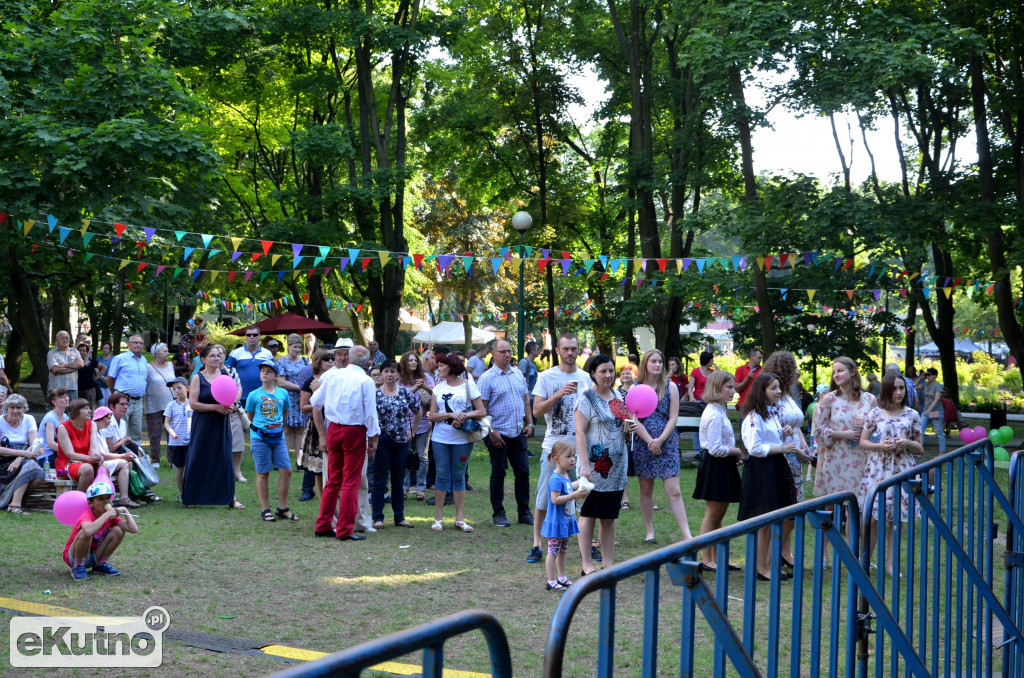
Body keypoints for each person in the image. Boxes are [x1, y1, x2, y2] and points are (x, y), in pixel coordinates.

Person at [527, 333, 593, 565]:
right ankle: (537, 545)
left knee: (584, 495)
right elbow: (536, 411)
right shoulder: (546, 377)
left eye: (574, 348)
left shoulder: (586, 378)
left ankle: (588, 545)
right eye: (566, 349)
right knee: (545, 498)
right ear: (557, 350)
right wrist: (558, 394)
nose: (570, 352)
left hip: (580, 449)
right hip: (553, 448)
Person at [738, 373, 808, 582]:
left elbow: (769, 439)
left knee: (773, 519)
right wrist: (782, 447)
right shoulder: (754, 417)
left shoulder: (771, 412)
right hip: (762, 469)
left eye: (778, 387)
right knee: (765, 521)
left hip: (775, 466)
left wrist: (783, 434)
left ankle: (768, 564)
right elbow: (754, 448)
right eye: (773, 388)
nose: (778, 391)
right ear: (762, 391)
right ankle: (762, 568)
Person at [311, 343, 379, 540]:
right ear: (367, 363)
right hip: (354, 431)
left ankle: (323, 524)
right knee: (350, 482)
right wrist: (374, 436)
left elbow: (315, 402)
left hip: (334, 429)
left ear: (348, 358)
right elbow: (371, 412)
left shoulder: (332, 375)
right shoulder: (365, 381)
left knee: (333, 480)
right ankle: (345, 529)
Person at [858, 372, 923, 575]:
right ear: (886, 389)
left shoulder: (912, 414)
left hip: (902, 469)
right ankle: (865, 561)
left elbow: (920, 448)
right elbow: (863, 441)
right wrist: (879, 446)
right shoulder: (876, 413)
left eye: (901, 388)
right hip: (878, 469)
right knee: (874, 518)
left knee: (897, 520)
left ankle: (891, 564)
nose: (899, 392)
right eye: (894, 388)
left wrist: (907, 443)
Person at [629, 349, 691, 545]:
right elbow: (633, 419)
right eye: (653, 361)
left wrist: (660, 440)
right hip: (644, 442)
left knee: (674, 490)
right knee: (646, 488)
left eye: (660, 361)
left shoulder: (670, 387)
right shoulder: (636, 388)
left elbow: (673, 417)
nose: (657, 365)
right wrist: (650, 441)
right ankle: (650, 532)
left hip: (667, 441)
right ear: (645, 364)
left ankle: (687, 535)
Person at [575, 354, 627, 576]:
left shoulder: (618, 396)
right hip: (594, 468)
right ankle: (587, 564)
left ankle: (607, 564)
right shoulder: (586, 398)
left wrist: (630, 429)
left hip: (616, 468)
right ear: (593, 374)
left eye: (611, 371)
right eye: (603, 371)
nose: (608, 375)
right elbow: (579, 433)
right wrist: (584, 465)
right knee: (588, 514)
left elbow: (621, 426)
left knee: (609, 516)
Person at [761, 351, 811, 568]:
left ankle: (784, 551)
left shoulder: (788, 395)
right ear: (785, 370)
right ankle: (774, 553)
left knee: (793, 505)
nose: (797, 372)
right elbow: (774, 429)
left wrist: (804, 443)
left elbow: (795, 424)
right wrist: (796, 450)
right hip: (783, 456)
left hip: (795, 455)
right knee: (787, 507)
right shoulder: (771, 397)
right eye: (794, 367)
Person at [425, 353, 485, 532]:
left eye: (441, 365)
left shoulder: (468, 385)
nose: (438, 369)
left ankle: (460, 518)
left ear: (451, 366)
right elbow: (432, 416)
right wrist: (451, 415)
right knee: (441, 476)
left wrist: (464, 415)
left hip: (462, 440)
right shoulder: (438, 388)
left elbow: (481, 411)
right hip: (440, 439)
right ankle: (438, 518)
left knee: (459, 476)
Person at [479, 339, 534, 528]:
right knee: (498, 472)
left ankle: (524, 513)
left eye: (509, 351)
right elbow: (481, 410)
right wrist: (492, 432)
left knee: (523, 472)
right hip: (497, 433)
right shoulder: (487, 378)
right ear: (493, 354)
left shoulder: (517, 373)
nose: (507, 354)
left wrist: (530, 423)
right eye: (503, 351)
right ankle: (498, 513)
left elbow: (526, 401)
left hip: (517, 431)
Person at [183, 344, 244, 509]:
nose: (216, 358)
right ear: (203, 359)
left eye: (218, 355)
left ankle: (230, 498)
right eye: (212, 356)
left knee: (224, 458)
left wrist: (231, 405)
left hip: (221, 423)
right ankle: (192, 496)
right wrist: (215, 408)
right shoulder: (198, 377)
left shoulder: (225, 374)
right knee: (199, 457)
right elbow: (193, 404)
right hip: (203, 423)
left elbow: (232, 393)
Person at [694, 371, 743, 571]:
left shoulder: (720, 409)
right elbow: (715, 448)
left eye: (733, 387)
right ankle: (707, 559)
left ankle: (716, 558)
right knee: (712, 514)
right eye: (729, 387)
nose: (733, 391)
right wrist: (736, 451)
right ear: (717, 388)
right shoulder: (714, 413)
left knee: (719, 515)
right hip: (716, 465)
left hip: (723, 465)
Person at [813, 357, 877, 501]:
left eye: (840, 371)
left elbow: (880, 430)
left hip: (862, 458)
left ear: (853, 372)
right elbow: (818, 431)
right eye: (834, 372)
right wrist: (842, 434)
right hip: (836, 458)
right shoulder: (829, 399)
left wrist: (867, 424)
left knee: (860, 502)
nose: (836, 375)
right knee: (835, 502)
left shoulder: (869, 399)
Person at [371, 359, 421, 529]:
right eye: (386, 371)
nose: (389, 375)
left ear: (398, 374)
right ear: (381, 374)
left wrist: (412, 431)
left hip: (401, 442)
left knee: (398, 481)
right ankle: (378, 518)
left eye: (393, 371)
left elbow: (418, 412)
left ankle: (399, 517)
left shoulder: (405, 393)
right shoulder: (375, 394)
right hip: (381, 442)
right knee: (379, 481)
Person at [245, 360, 296, 522]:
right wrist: (263, 428)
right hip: (260, 438)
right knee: (263, 473)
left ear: (275, 376)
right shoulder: (254, 395)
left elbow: (285, 412)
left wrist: (277, 427)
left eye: (269, 371)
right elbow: (250, 416)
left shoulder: (282, 393)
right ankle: (265, 509)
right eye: (263, 371)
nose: (265, 373)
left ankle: (283, 508)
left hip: (278, 438)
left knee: (286, 471)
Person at [63, 480, 138, 580]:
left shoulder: (111, 517)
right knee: (86, 532)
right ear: (91, 504)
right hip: (74, 557)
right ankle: (78, 567)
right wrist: (106, 515)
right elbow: (88, 531)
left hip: (93, 555)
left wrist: (125, 509)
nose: (106, 501)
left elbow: (133, 529)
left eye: (108, 498)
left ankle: (100, 564)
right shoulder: (87, 515)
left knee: (118, 530)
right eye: (101, 499)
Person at [542, 440, 587, 591]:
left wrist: (581, 482)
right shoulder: (555, 479)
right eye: (568, 456)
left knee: (562, 551)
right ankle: (551, 580)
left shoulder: (565, 476)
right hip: (557, 522)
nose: (572, 459)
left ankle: (562, 577)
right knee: (553, 552)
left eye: (573, 456)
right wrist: (574, 495)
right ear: (556, 459)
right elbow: (555, 500)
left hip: (565, 521)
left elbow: (568, 487)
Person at [298, 350, 334, 504]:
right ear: (318, 361)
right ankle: (322, 501)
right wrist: (320, 401)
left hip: (334, 424)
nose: (331, 361)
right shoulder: (310, 382)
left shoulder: (335, 379)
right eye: (326, 358)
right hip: (317, 427)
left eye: (332, 358)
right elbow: (303, 407)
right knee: (318, 469)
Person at [92, 401, 143, 508]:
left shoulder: (100, 431)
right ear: (100, 418)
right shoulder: (94, 432)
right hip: (97, 463)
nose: (110, 421)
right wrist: (122, 456)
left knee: (130, 461)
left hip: (103, 461)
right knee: (124, 463)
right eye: (108, 418)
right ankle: (124, 498)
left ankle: (134, 495)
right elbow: (102, 455)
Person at [0, 394, 45, 514]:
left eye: (19, 407)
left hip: (23, 458)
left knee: (38, 474)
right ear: (7, 408)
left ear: (24, 409)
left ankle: (12, 501)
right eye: (12, 407)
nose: (15, 411)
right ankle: (15, 505)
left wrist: (19, 458)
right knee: (30, 464)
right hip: (3, 461)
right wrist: (22, 453)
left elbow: (35, 444)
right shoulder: (0, 421)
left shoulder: (29, 419)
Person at [399, 351, 434, 501]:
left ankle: (421, 487)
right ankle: (404, 487)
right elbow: (398, 397)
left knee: (422, 456)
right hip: (404, 423)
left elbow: (436, 394)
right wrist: (414, 388)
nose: (413, 362)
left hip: (423, 423)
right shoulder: (399, 378)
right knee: (405, 455)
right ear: (404, 363)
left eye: (415, 360)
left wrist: (424, 386)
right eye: (410, 360)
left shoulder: (425, 377)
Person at [104, 334, 148, 442]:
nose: (139, 345)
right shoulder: (120, 358)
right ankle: (119, 451)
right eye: (136, 343)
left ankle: (134, 452)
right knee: (120, 430)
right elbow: (110, 378)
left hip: (138, 401)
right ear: (129, 344)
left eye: (141, 343)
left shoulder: (144, 360)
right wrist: (116, 395)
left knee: (136, 433)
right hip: (122, 400)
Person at [275, 334, 311, 464]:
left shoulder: (305, 361)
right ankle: (284, 462)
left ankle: (299, 461)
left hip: (302, 399)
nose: (297, 350)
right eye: (295, 347)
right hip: (288, 398)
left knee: (300, 429)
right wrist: (300, 388)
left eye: (299, 347)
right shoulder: (282, 362)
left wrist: (305, 392)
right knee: (287, 429)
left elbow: (310, 377)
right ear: (289, 346)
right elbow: (281, 382)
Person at [144, 343, 175, 468]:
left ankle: (172, 460)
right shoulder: (148, 367)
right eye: (165, 351)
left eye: (167, 351)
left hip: (171, 406)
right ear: (157, 353)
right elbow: (144, 384)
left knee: (172, 434)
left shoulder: (171, 365)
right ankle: (155, 461)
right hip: (154, 406)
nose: (168, 353)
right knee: (154, 434)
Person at [225, 325, 273, 402]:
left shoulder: (267, 353)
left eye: (255, 335)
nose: (252, 337)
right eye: (249, 335)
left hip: (262, 397)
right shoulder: (236, 353)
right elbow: (227, 372)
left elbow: (273, 373)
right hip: (240, 397)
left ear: (259, 336)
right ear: (245, 337)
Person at [163, 377, 192, 503]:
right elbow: (166, 423)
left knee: (191, 467)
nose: (177, 391)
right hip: (176, 443)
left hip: (191, 442)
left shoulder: (193, 405)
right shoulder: (171, 405)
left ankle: (190, 491)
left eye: (179, 388)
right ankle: (181, 492)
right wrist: (172, 433)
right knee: (180, 467)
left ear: (187, 388)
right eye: (174, 389)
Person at [39, 388, 71, 470]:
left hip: (59, 454)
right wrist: (70, 451)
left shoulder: (66, 417)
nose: (66, 398)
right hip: (47, 457)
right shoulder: (50, 418)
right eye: (62, 397)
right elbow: (51, 443)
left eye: (67, 396)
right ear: (54, 402)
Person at [48, 330, 84, 401]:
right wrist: (74, 368)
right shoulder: (51, 353)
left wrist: (64, 365)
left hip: (72, 388)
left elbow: (81, 364)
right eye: (62, 338)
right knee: (57, 407)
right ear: (57, 340)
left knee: (73, 407)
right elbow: (55, 369)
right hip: (57, 389)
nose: (65, 340)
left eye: (67, 338)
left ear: (69, 340)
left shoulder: (75, 352)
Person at [919, 367, 946, 453]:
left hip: (936, 411)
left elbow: (936, 399)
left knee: (939, 433)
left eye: (929, 375)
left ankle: (942, 452)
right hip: (926, 411)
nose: (928, 377)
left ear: (935, 376)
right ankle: (919, 450)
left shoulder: (938, 386)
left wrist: (929, 410)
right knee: (920, 431)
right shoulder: (925, 384)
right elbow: (913, 386)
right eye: (927, 375)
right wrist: (920, 378)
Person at [76, 343, 105, 408]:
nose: (82, 352)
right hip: (77, 389)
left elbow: (104, 367)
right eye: (80, 350)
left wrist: (97, 377)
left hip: (90, 389)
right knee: (79, 407)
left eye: (84, 351)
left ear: (87, 352)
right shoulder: (75, 362)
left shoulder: (92, 362)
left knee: (90, 407)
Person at [518, 341, 541, 407]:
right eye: (538, 349)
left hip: (533, 397)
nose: (539, 351)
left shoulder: (534, 363)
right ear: (532, 350)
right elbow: (520, 379)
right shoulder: (524, 362)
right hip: (527, 398)